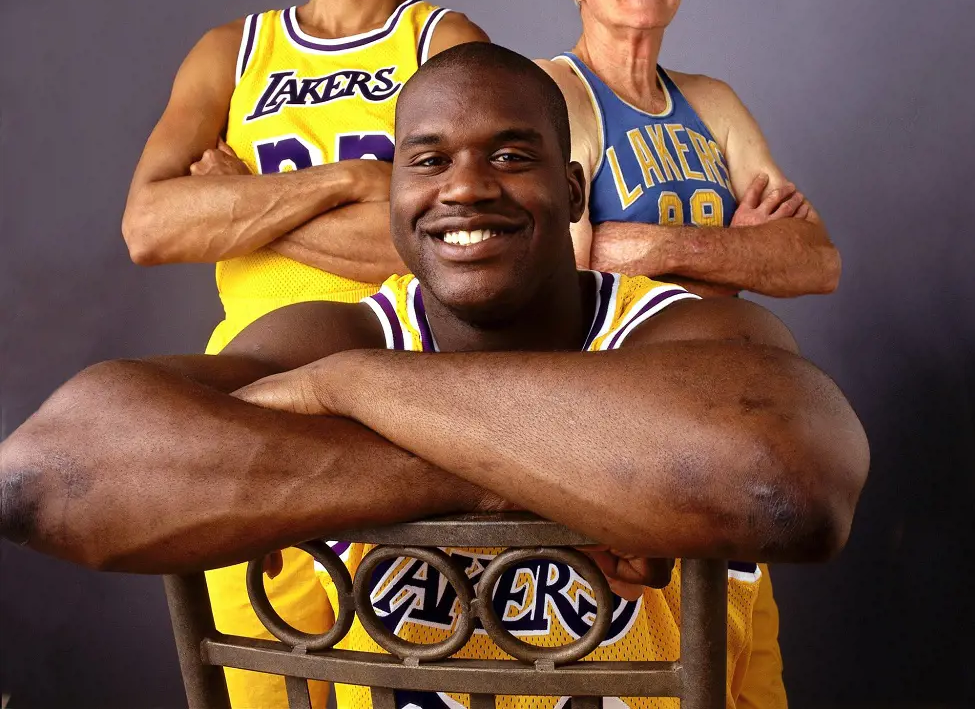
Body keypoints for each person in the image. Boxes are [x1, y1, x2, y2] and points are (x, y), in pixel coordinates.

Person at [3, 44, 868, 709]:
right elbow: (41, 476)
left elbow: (789, 485)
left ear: (573, 193)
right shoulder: (339, 333)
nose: (465, 187)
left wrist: (352, 391)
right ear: (395, 203)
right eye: (426, 160)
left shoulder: (681, 328)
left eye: (510, 155)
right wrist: (530, 481)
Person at [120, 0, 486, 708]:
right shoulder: (231, 54)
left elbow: (444, 239)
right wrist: (350, 180)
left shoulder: (443, 44)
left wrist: (242, 206)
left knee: (383, 679)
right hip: (251, 404)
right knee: (257, 680)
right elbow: (149, 224)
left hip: (397, 398)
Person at [540, 0, 841, 299]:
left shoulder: (714, 102)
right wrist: (742, 255)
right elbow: (558, 285)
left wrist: (652, 247)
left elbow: (819, 263)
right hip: (619, 365)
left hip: (732, 359)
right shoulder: (553, 90)